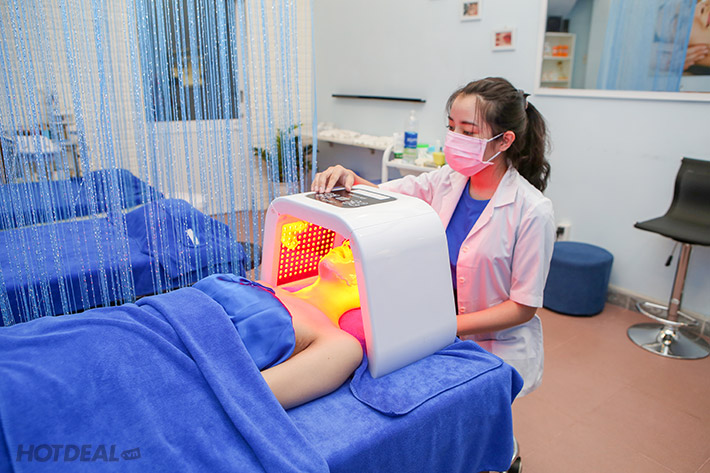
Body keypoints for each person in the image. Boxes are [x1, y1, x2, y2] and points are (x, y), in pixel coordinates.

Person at [311, 77, 555, 396]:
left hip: (493, 346)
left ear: (504, 140)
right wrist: (349, 178)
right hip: (437, 330)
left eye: (468, 132)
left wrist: (446, 325)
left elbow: (522, 307)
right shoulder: (448, 180)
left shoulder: (532, 211)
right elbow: (387, 195)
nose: (454, 138)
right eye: (451, 127)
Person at [194, 241, 363, 409]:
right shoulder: (266, 286)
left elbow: (244, 397)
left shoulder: (341, 345)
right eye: (349, 242)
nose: (348, 245)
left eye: (365, 250)